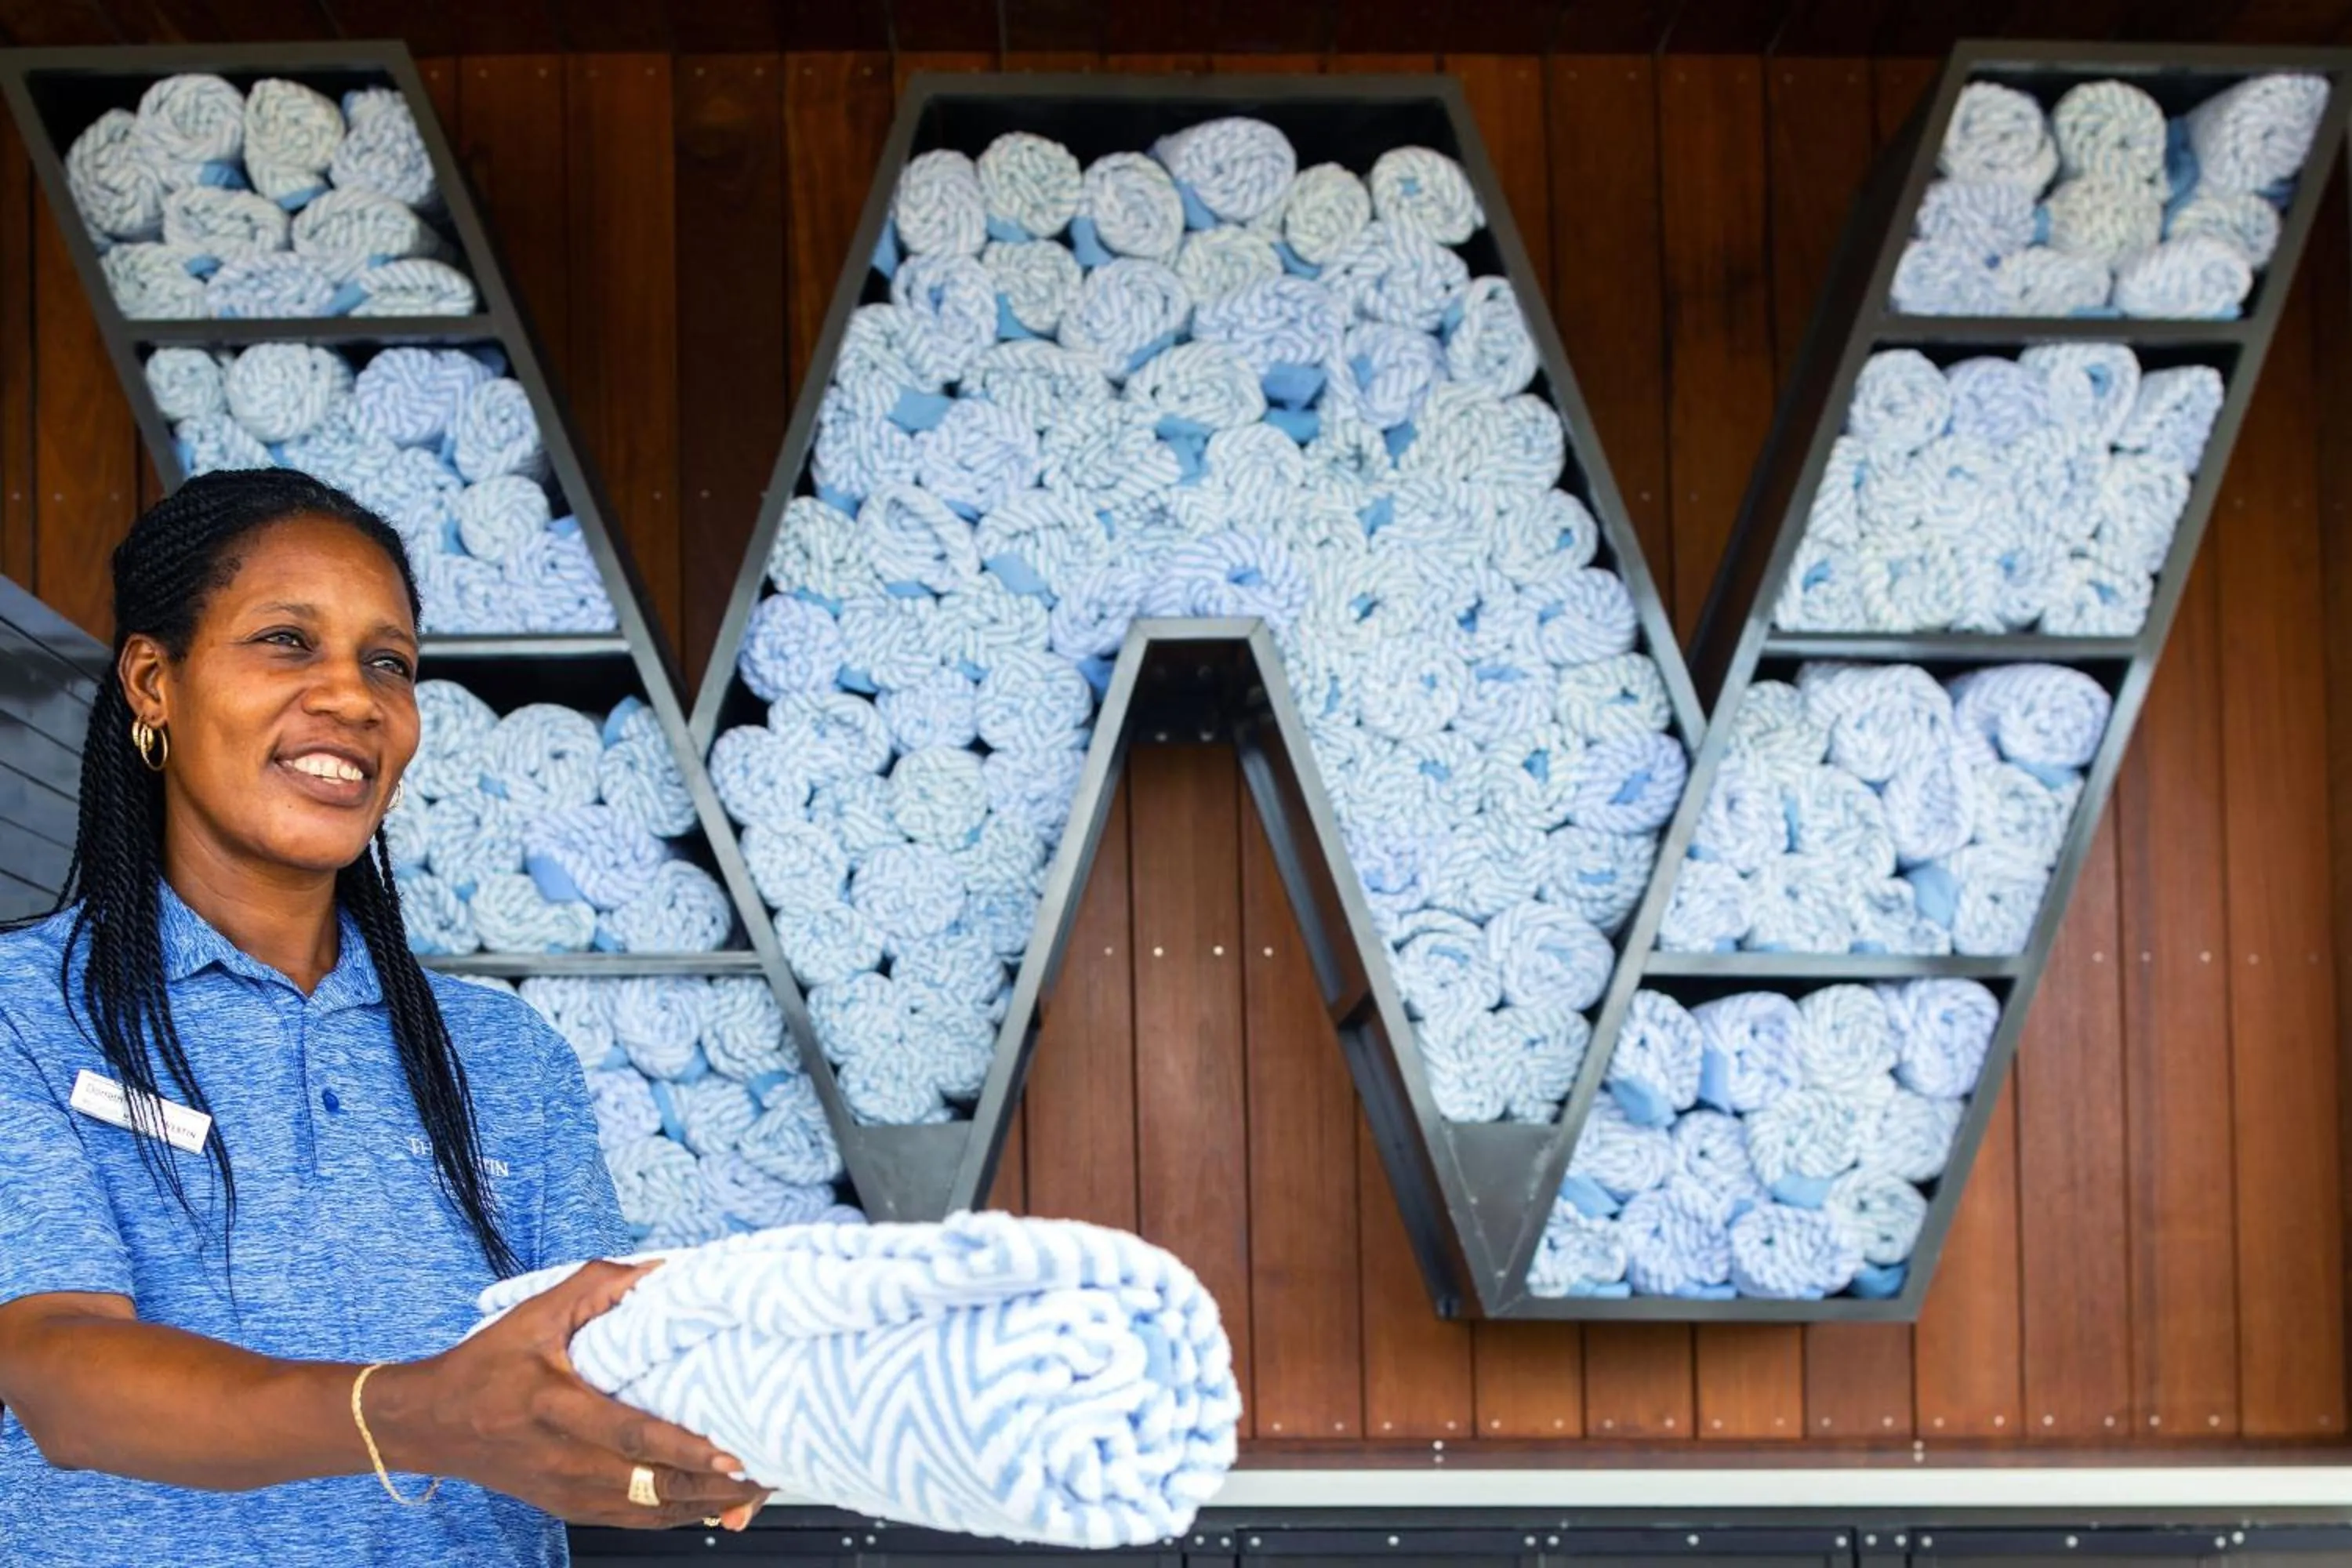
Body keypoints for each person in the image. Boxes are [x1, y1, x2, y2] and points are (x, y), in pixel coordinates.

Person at [0, 471, 766, 1564]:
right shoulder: (24, 1017)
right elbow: (57, 1379)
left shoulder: (505, 1063)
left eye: (388, 663)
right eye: (286, 641)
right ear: (153, 681)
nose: (354, 698)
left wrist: (720, 1433)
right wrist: (419, 1412)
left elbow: (593, 1398)